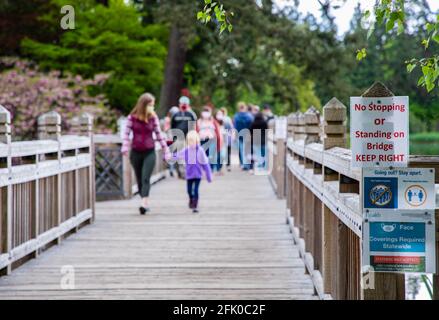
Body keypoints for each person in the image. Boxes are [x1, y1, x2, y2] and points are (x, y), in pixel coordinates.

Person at [121, 93, 170, 215]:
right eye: (150, 105)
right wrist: (125, 147)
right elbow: (126, 135)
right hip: (136, 152)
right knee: (139, 178)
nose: (152, 107)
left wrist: (166, 150)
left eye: (153, 105)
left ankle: (143, 202)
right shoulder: (132, 118)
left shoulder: (153, 118)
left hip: (149, 152)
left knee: (145, 177)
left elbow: (159, 135)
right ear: (143, 105)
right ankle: (145, 201)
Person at [171, 131, 213, 213]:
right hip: (189, 174)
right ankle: (191, 199)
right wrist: (168, 156)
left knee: (196, 190)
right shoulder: (186, 150)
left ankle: (195, 205)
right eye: (190, 141)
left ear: (197, 141)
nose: (191, 143)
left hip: (198, 175)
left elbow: (205, 164)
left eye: (193, 141)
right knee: (189, 190)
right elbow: (178, 155)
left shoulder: (200, 151)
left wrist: (209, 176)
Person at [171, 96, 197, 178]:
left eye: (185, 104)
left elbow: (193, 127)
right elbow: (173, 127)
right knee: (180, 157)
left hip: (188, 139)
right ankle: (181, 173)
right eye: (182, 104)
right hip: (178, 139)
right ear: (179, 104)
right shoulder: (175, 115)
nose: (183, 105)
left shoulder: (191, 114)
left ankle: (188, 172)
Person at [197, 105, 222, 172]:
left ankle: (210, 170)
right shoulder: (199, 121)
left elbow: (217, 133)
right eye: (204, 111)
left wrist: (219, 143)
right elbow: (196, 132)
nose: (205, 113)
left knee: (211, 156)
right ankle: (205, 170)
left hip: (211, 140)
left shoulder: (213, 122)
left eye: (207, 111)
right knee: (203, 156)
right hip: (202, 141)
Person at [233, 102, 254, 171]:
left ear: (239, 108)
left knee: (242, 151)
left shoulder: (236, 116)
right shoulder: (249, 116)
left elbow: (235, 127)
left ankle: (244, 165)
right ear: (244, 108)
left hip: (239, 135)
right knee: (248, 150)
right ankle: (248, 165)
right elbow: (252, 126)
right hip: (247, 135)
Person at [219, 107, 234, 172]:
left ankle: (220, 166)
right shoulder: (228, 119)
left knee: (222, 152)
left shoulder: (218, 119)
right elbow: (231, 128)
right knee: (228, 152)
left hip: (222, 138)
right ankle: (228, 165)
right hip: (228, 137)